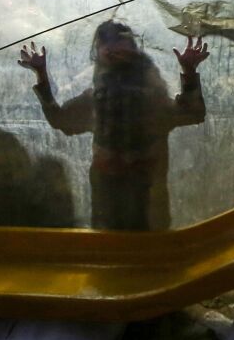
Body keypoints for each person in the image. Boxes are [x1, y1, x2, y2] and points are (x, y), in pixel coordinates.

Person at [19, 21, 210, 231]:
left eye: (119, 39)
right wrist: (41, 74)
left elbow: (191, 114)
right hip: (108, 207)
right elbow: (60, 120)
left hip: (149, 210)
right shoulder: (97, 100)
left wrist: (189, 71)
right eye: (105, 41)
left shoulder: (151, 97)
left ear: (132, 48)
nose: (112, 47)